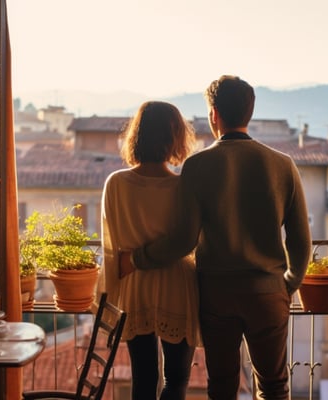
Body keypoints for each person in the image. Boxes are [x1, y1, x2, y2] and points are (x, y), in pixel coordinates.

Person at [129, 75, 312, 400]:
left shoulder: (197, 166)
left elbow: (184, 240)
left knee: (223, 387)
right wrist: (288, 284)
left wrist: (139, 257)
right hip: (268, 293)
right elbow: (300, 241)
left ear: (213, 114)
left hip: (216, 296)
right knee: (273, 386)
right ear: (250, 112)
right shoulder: (283, 165)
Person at [97, 101, 201, 400]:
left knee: (143, 377)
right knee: (176, 380)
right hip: (178, 287)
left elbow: (110, 246)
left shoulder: (115, 183)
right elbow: (191, 240)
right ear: (175, 138)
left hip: (134, 284)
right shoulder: (184, 187)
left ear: (136, 135)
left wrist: (111, 291)